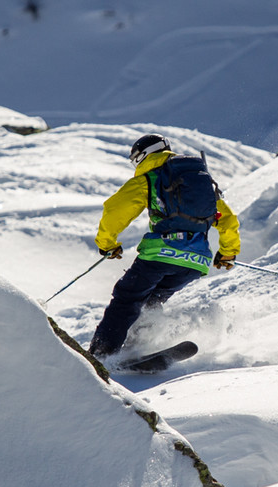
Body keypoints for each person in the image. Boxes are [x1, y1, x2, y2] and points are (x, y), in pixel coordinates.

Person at [88, 133, 239, 360]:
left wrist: (107, 244)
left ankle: (101, 355)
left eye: (135, 159)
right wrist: (227, 253)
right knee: (151, 301)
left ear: (143, 155)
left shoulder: (150, 178)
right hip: (195, 262)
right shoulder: (198, 182)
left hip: (160, 254)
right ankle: (134, 347)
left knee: (127, 298)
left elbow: (114, 210)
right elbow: (227, 220)